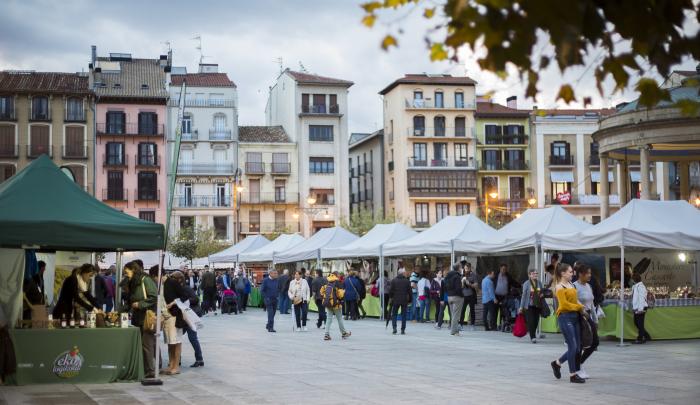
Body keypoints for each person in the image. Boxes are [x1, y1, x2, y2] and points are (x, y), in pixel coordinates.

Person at [550, 263, 586, 384]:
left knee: (577, 348)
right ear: (563, 273)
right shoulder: (559, 287)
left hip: (575, 317)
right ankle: (573, 375)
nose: (573, 273)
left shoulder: (570, 284)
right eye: (570, 272)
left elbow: (574, 300)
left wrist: (580, 305)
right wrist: (578, 306)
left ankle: (557, 363)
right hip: (565, 317)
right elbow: (564, 305)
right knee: (573, 347)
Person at [123, 261, 157, 379]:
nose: (125, 274)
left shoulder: (145, 280)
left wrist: (140, 304)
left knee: (147, 345)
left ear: (133, 270)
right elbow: (130, 300)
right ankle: (144, 368)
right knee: (142, 345)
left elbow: (154, 297)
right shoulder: (133, 282)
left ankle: (150, 370)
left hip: (146, 317)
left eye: (126, 272)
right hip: (137, 318)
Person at [162, 269, 189, 375]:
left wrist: (173, 303)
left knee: (176, 342)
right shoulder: (164, 284)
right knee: (170, 342)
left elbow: (184, 296)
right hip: (167, 316)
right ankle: (171, 364)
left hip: (175, 316)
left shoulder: (172, 283)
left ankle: (176, 366)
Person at [574, 266, 599, 378]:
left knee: (595, 342)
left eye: (590, 273)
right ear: (580, 274)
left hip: (589, 316)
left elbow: (592, 304)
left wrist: (595, 318)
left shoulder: (589, 286)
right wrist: (582, 311)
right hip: (579, 316)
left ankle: (580, 363)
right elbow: (574, 302)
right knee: (580, 344)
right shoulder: (574, 286)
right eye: (587, 273)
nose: (589, 275)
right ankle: (577, 369)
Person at [321, 271, 351, 341]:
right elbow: (340, 295)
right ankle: (343, 333)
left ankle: (326, 334)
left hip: (328, 303)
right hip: (336, 304)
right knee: (339, 319)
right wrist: (343, 293)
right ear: (336, 275)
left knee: (329, 319)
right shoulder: (338, 282)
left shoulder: (326, 281)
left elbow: (321, 292)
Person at [181, 278, 204, 368]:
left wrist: (185, 302)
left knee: (192, 338)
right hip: (185, 316)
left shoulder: (186, 288)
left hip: (190, 316)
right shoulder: (181, 289)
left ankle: (199, 359)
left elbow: (196, 299)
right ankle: (199, 359)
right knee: (178, 337)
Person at [520, 269, 544, 343]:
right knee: (531, 321)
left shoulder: (539, 283)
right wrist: (521, 306)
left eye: (536, 273)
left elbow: (541, 292)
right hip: (529, 305)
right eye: (533, 274)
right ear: (529, 275)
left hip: (537, 305)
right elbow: (523, 295)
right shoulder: (526, 283)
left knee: (536, 321)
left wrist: (542, 295)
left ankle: (532, 332)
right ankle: (532, 337)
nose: (535, 275)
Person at [388, 268, 412, 334]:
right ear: (403, 273)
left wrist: (391, 297)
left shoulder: (394, 280)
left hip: (395, 300)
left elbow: (390, 291)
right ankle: (403, 329)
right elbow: (410, 292)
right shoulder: (407, 281)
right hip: (404, 300)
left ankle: (394, 328)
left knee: (394, 314)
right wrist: (410, 300)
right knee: (404, 315)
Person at [494, 264, 517, 330]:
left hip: (504, 296)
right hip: (496, 296)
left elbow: (513, 282)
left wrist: (520, 285)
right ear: (500, 269)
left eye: (505, 269)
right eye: (503, 269)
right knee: (495, 311)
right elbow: (492, 283)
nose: (504, 270)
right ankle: (494, 326)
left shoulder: (508, 276)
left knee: (504, 311)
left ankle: (503, 325)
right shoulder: (496, 275)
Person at [631, 273, 652, 344]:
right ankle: (646, 336)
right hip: (637, 307)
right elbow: (635, 298)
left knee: (640, 323)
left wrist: (640, 309)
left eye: (632, 279)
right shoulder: (635, 286)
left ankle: (640, 338)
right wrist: (634, 307)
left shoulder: (641, 287)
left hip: (641, 307)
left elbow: (641, 298)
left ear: (634, 279)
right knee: (636, 322)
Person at [445, 263, 464, 336]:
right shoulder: (457, 276)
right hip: (457, 297)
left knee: (453, 314)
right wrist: (462, 295)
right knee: (456, 315)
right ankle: (454, 331)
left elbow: (445, 286)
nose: (461, 269)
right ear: (458, 268)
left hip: (449, 297)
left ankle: (454, 330)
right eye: (461, 267)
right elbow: (458, 288)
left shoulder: (448, 276)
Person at [461, 262, 478, 330]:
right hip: (464, 296)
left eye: (467, 268)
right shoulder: (462, 275)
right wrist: (462, 282)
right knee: (463, 310)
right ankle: (461, 324)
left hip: (471, 295)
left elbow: (476, 286)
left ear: (470, 268)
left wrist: (469, 284)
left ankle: (472, 325)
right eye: (465, 268)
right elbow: (461, 287)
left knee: (472, 310)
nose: (466, 270)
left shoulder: (473, 275)